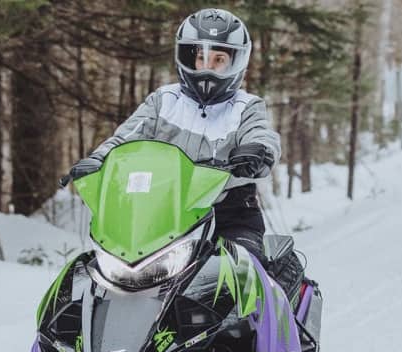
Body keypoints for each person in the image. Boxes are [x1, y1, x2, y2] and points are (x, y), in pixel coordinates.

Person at [66, 8, 278, 260]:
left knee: (243, 267)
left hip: (229, 213)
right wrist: (98, 159)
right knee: (106, 269)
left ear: (236, 62)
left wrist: (258, 152)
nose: (207, 68)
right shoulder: (163, 100)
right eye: (202, 58)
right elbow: (125, 138)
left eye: (218, 59)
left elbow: (261, 134)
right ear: (188, 58)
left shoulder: (247, 106)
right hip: (163, 215)